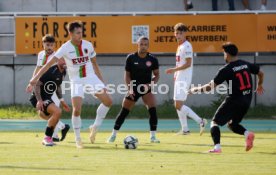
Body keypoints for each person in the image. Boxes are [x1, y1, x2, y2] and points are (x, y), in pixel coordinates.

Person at [29, 20, 112, 148]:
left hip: (90, 78)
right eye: (78, 33)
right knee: (77, 110)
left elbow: (95, 63)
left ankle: (95, 127)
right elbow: (48, 64)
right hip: (76, 81)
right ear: (70, 33)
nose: (80, 35)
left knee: (108, 101)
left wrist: (101, 82)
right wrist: (35, 77)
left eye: (81, 32)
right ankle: (78, 139)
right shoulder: (65, 48)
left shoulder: (88, 45)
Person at [189, 42, 264, 153]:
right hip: (247, 101)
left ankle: (217, 148)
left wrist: (195, 89)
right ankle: (248, 134)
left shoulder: (226, 69)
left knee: (214, 122)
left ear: (227, 54)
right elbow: (260, 73)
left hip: (234, 100)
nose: (224, 55)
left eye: (224, 53)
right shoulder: (245, 64)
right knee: (232, 124)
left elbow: (210, 87)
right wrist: (259, 85)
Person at [107, 36, 160, 143]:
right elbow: (127, 76)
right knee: (124, 112)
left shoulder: (153, 59)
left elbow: (157, 75)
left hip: (146, 89)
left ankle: (153, 137)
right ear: (138, 45)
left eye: (145, 45)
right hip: (133, 88)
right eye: (141, 44)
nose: (143, 46)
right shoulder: (131, 58)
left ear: (148, 46)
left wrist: (149, 85)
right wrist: (130, 89)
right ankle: (113, 135)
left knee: (153, 111)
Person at [26, 34, 70, 142]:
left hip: (50, 90)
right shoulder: (41, 54)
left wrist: (61, 99)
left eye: (51, 45)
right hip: (40, 87)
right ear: (43, 44)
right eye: (47, 44)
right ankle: (59, 129)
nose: (49, 47)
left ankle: (53, 135)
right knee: (45, 114)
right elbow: (38, 68)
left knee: (54, 112)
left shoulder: (56, 59)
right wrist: (32, 81)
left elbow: (56, 82)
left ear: (54, 45)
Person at [165, 23, 207, 135]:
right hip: (179, 77)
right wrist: (175, 74)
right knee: (178, 104)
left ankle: (201, 121)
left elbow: (188, 64)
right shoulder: (180, 46)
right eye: (177, 33)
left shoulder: (187, 45)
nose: (178, 35)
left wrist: (174, 70)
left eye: (181, 33)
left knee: (178, 105)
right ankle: (185, 129)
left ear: (185, 34)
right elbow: (181, 62)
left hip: (184, 78)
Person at [30, 58, 70, 146]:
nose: (65, 62)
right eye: (62, 60)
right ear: (57, 60)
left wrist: (62, 101)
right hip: (39, 97)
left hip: (47, 97)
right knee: (57, 111)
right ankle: (47, 138)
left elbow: (57, 86)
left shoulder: (63, 72)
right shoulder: (51, 71)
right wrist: (39, 100)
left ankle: (51, 136)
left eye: (66, 60)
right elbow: (37, 84)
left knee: (52, 116)